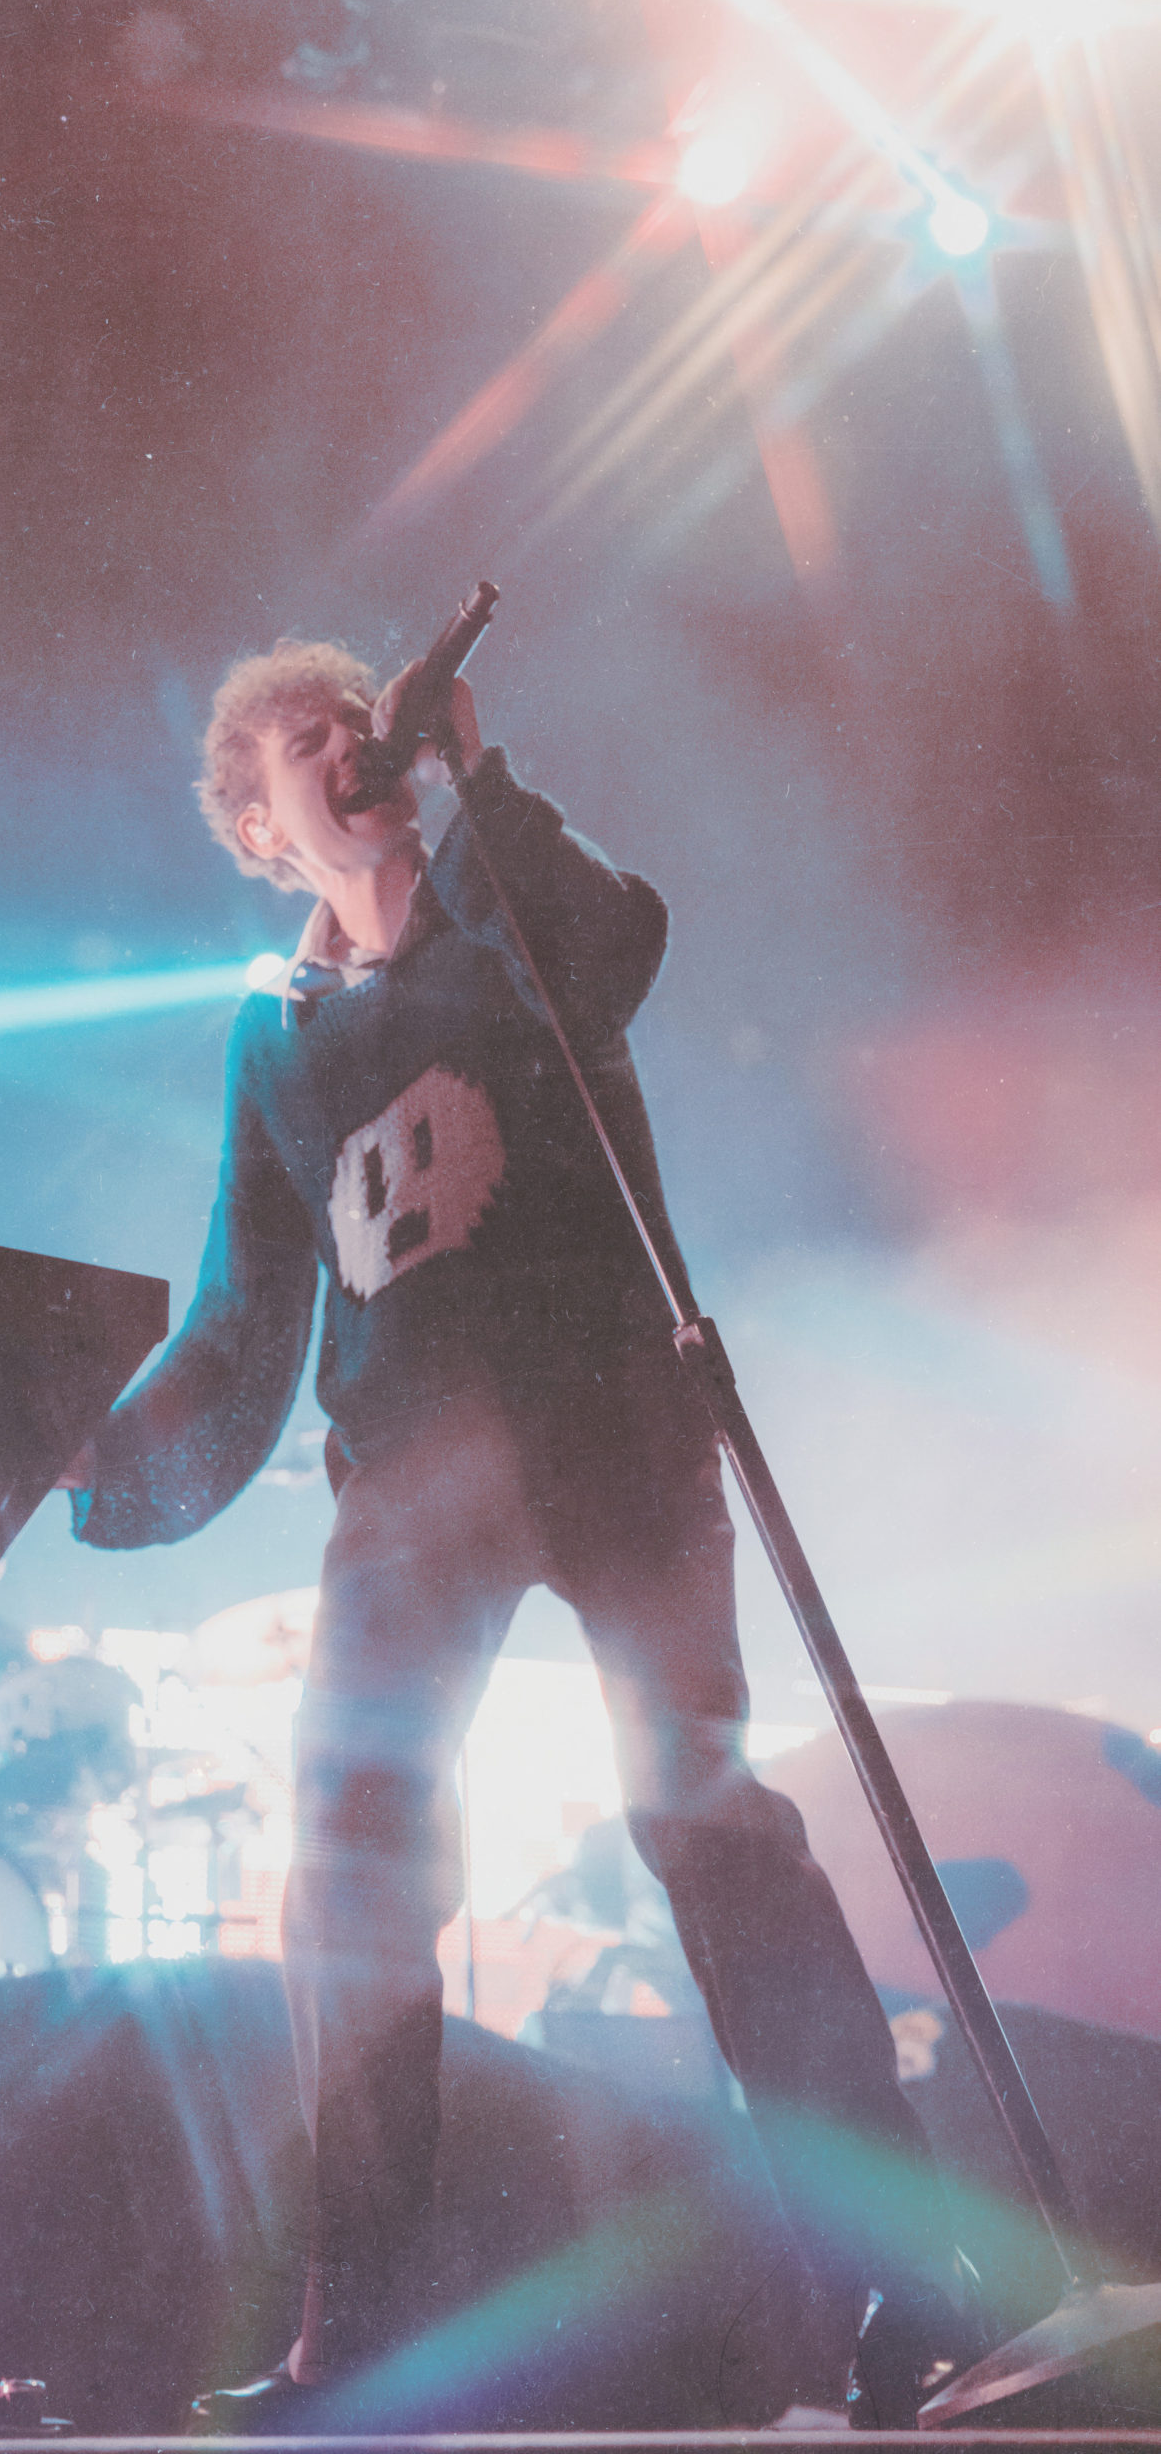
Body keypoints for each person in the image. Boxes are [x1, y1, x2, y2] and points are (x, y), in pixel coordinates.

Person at [63, 640, 971, 2430]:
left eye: (359, 719)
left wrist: (477, 781)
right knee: (354, 1862)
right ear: (259, 824)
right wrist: (84, 1465)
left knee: (711, 1830)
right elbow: (245, 1313)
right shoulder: (274, 1037)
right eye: (307, 741)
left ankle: (905, 2290)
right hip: (409, 1484)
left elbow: (614, 948)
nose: (349, 743)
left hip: (616, 1428)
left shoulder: (506, 911)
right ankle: (358, 2332)